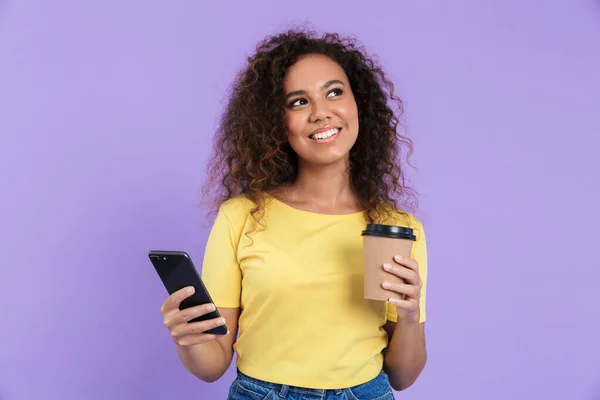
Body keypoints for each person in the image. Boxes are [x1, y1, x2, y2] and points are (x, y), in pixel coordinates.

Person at [159, 29, 429, 400]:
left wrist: (411, 316)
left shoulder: (397, 228)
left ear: (358, 103)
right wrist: (187, 338)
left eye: (334, 92)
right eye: (298, 102)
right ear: (275, 122)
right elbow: (212, 366)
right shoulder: (241, 217)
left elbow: (403, 376)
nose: (321, 112)